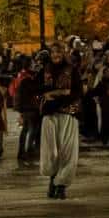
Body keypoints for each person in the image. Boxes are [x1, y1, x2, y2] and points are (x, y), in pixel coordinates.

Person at [39, 47, 82, 199]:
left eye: (58, 52)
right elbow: (38, 90)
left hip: (68, 114)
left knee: (67, 152)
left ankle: (61, 185)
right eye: (53, 52)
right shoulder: (44, 70)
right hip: (50, 115)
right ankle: (53, 180)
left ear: (63, 54)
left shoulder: (72, 70)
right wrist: (58, 92)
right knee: (50, 152)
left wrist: (55, 95)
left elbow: (77, 92)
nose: (55, 55)